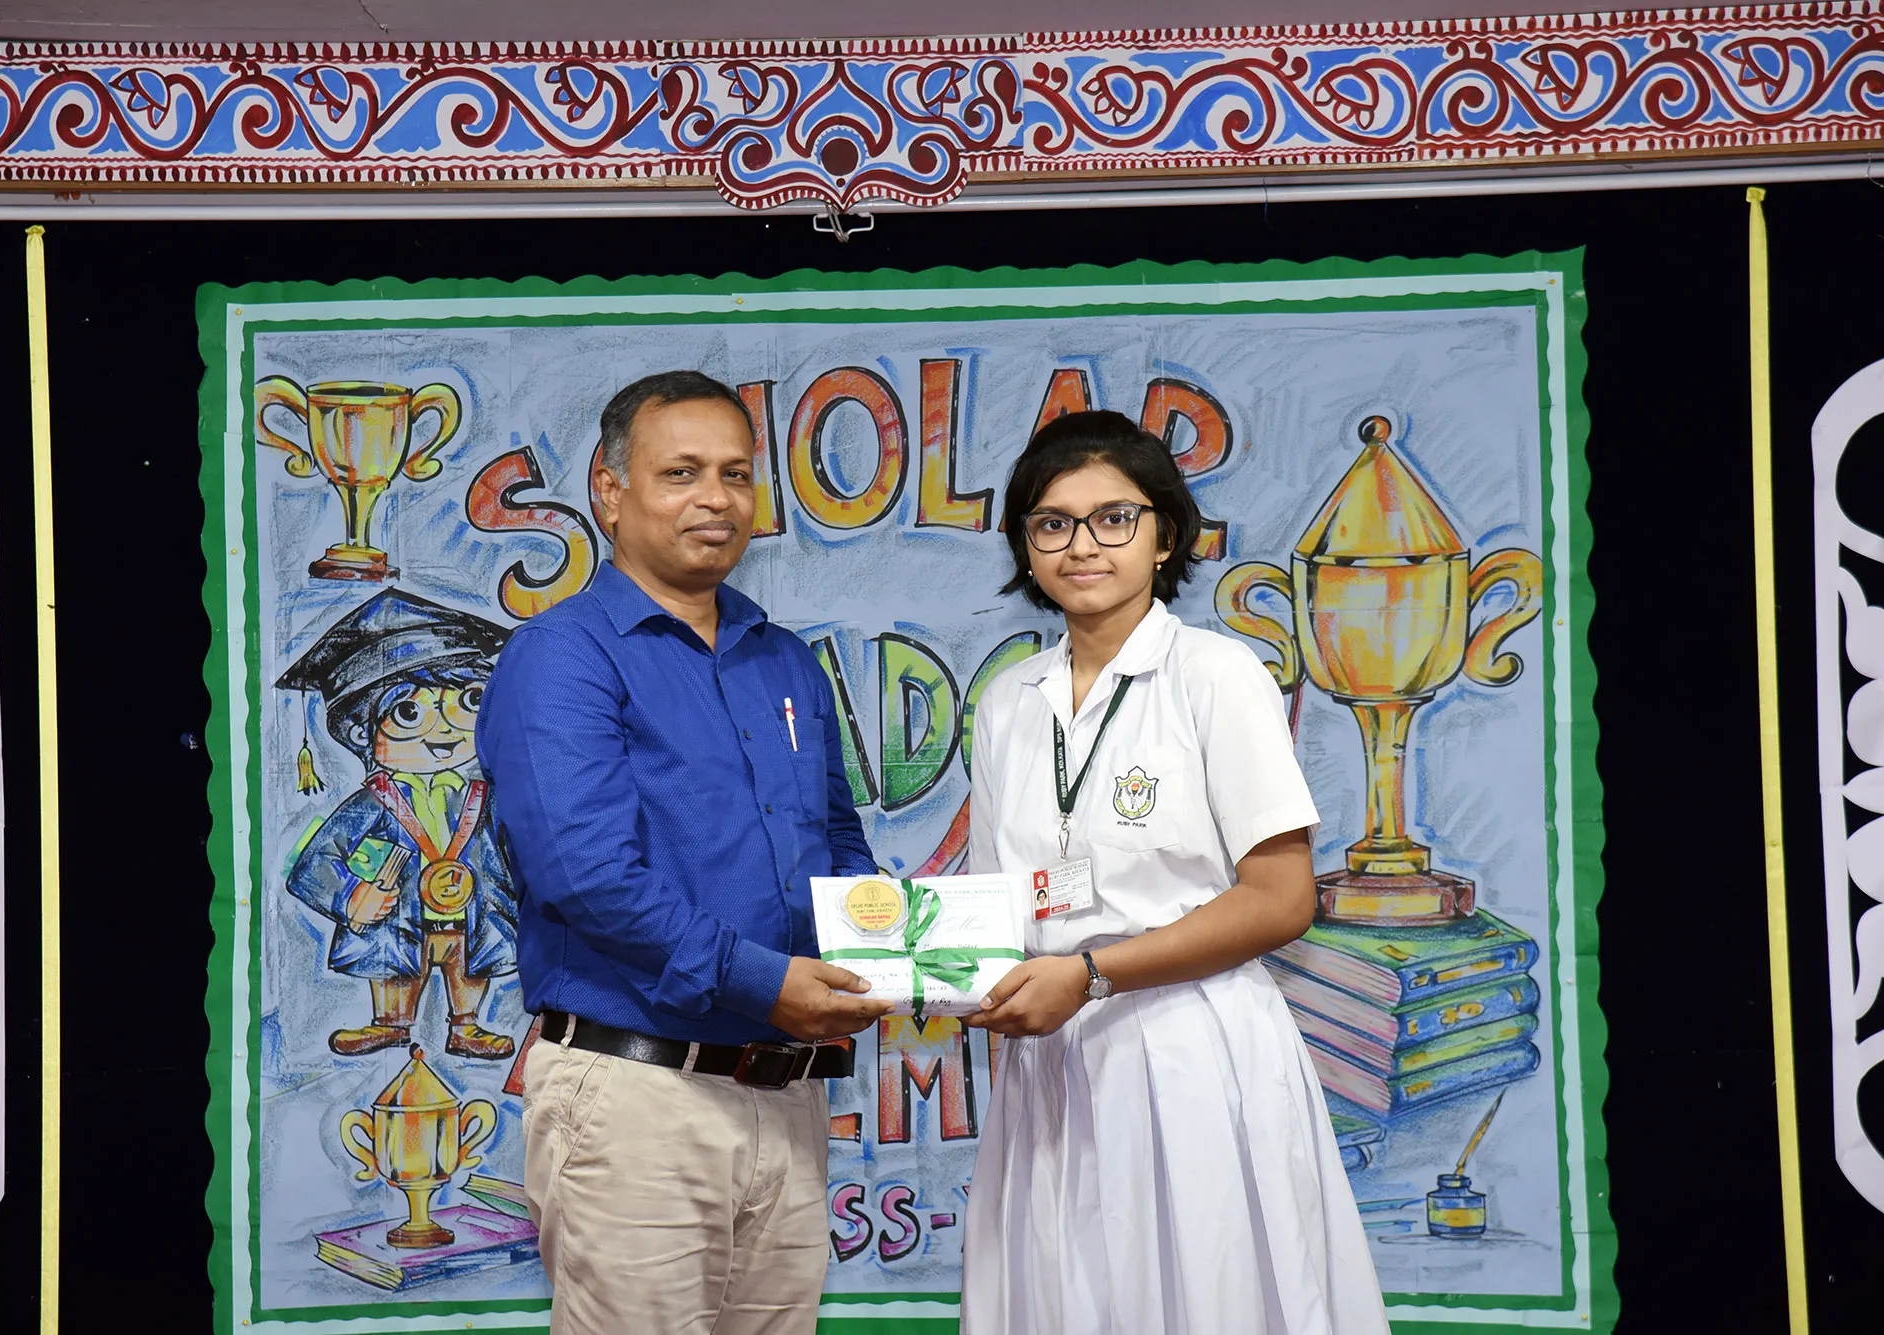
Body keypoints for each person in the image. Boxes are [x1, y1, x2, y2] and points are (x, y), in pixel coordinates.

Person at [477, 370, 894, 1335]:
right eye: (682, 472)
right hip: (636, 1097)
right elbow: (587, 876)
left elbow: (837, 837)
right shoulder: (563, 655)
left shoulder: (783, 658)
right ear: (610, 490)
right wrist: (768, 983)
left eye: (736, 473)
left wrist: (888, 949)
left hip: (787, 1093)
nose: (717, 497)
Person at [960, 410, 1390, 1334]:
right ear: (1025, 546)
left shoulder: (1215, 674)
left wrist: (1092, 972)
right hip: (1051, 1061)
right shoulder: (1005, 703)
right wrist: (918, 965)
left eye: (1113, 518)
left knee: (1208, 1297)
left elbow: (1282, 899)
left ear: (1164, 538)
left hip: (1192, 1046)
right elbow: (993, 910)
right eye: (1052, 522)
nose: (1082, 545)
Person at [280, 588, 519, 1060]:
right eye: (410, 712)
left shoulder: (488, 796)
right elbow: (315, 862)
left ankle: (466, 1024)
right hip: (398, 915)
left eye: (466, 702)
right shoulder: (371, 804)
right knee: (392, 954)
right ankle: (390, 1022)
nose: (444, 728)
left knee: (472, 957)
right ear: (363, 732)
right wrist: (351, 898)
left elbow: (519, 845)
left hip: (472, 910)